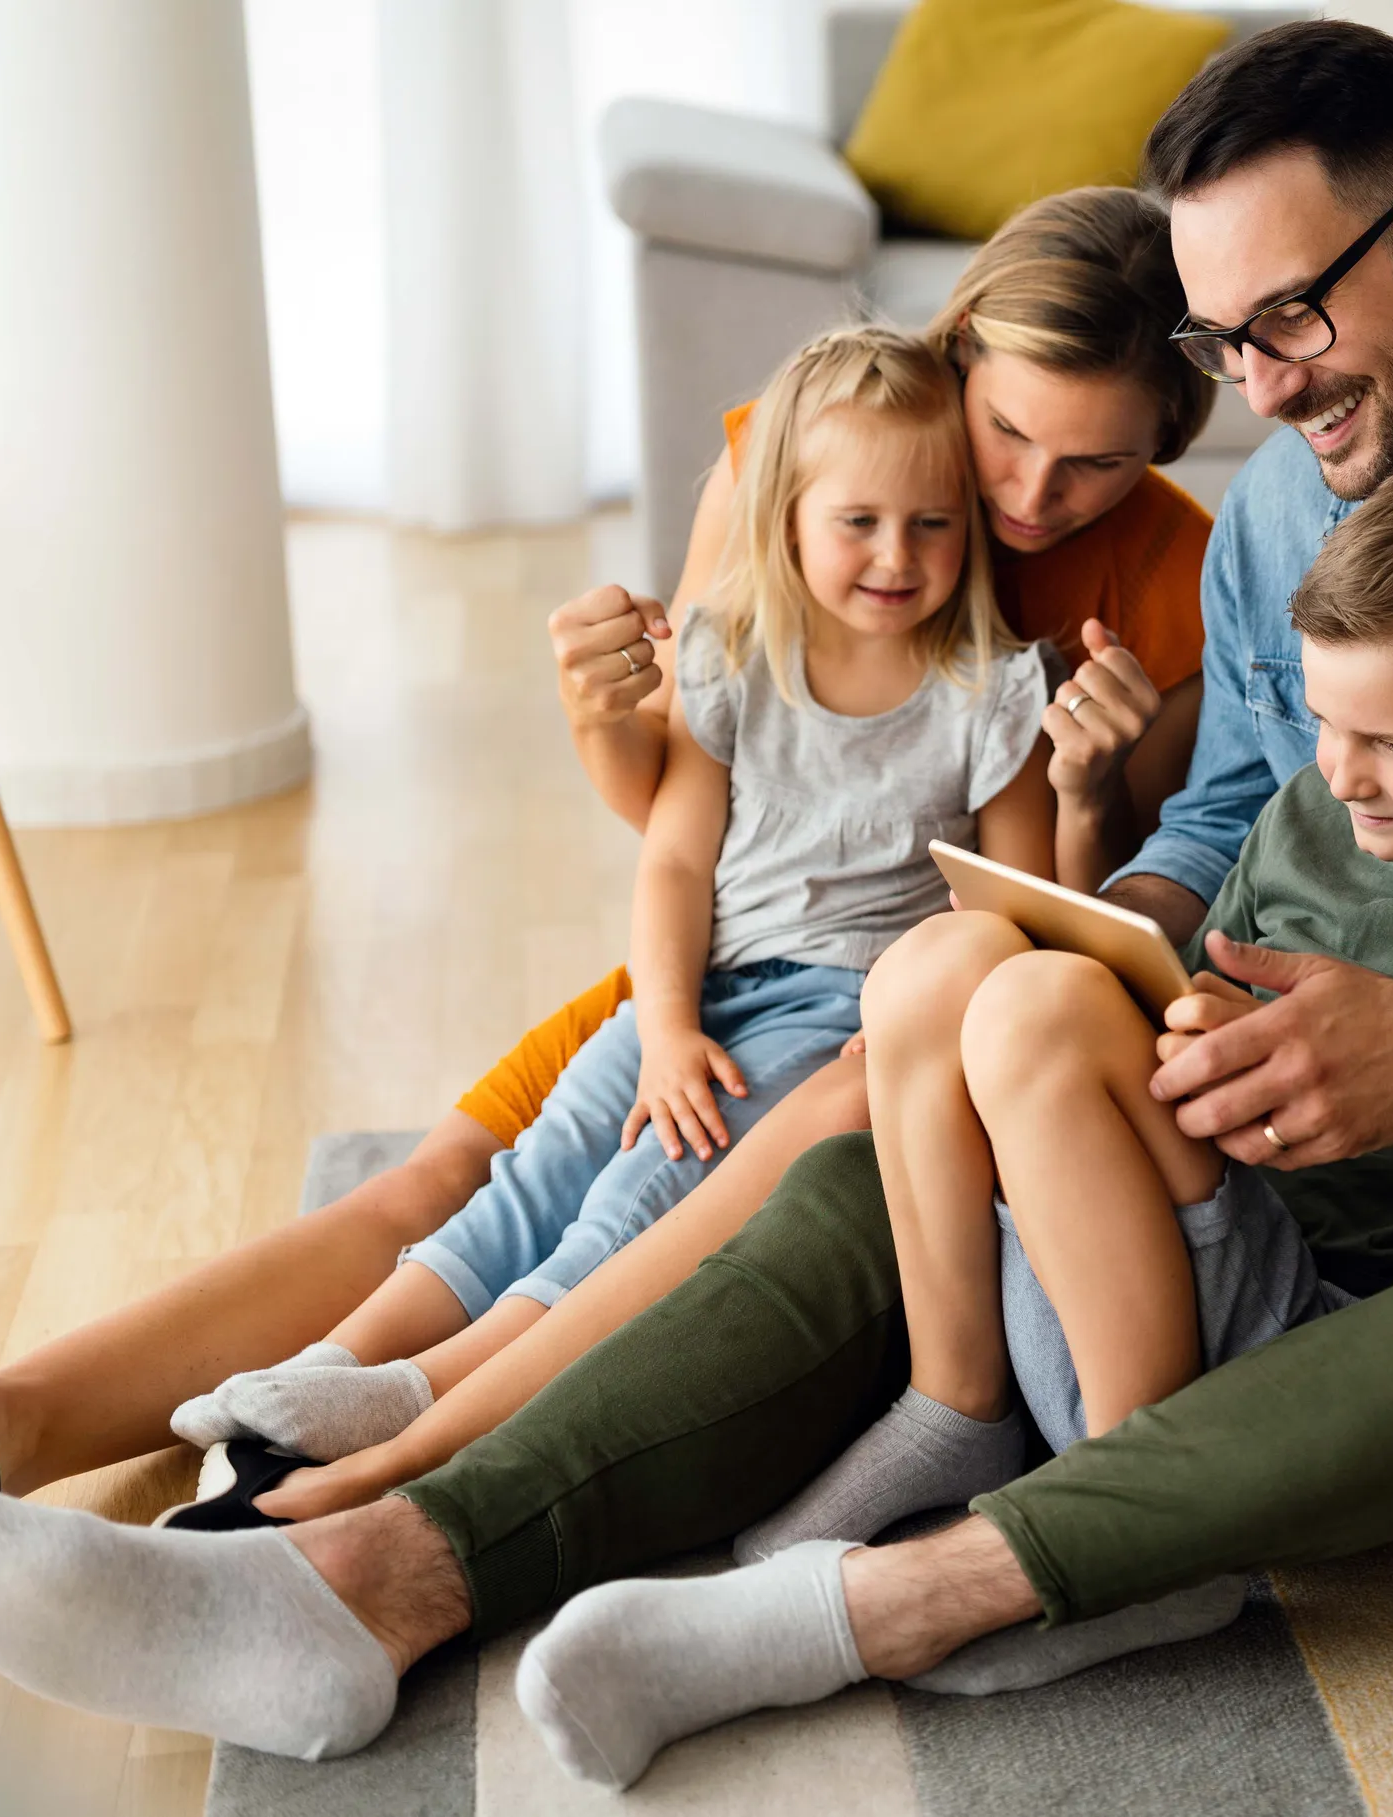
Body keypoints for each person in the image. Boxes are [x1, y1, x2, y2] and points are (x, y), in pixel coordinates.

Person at [0, 15, 1393, 1784]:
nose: (1260, 389)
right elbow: (1222, 828)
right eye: (1224, 343)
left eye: (1288, 320)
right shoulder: (1293, 499)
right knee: (873, 1116)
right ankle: (353, 1576)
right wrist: (1045, 957)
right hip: (1298, 1126)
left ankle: (903, 1596)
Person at [0, 188, 1224, 1564]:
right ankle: (10, 1423)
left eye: (1098, 461)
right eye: (1009, 432)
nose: (1035, 492)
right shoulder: (808, 449)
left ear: (1169, 433)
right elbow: (680, 807)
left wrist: (1092, 783)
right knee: (449, 1176)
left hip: (903, 1007)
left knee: (626, 1204)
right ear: (957, 353)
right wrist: (603, 720)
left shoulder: (1175, 580)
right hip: (730, 941)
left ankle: (370, 1445)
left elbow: (1068, 925)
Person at [714, 451, 1393, 1657]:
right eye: (1324, 722)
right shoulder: (1308, 819)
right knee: (938, 961)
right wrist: (1199, 1028)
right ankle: (953, 1403)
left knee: (1039, 1012)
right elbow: (1207, 989)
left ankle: (1139, 1531)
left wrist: (1376, 1083)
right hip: (1142, 1257)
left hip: (1286, 1324)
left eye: (1390, 741)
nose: (1340, 772)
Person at [138, 325, 1065, 1525]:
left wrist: (914, 1035)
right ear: (784, 513)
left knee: (635, 1201)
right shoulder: (734, 658)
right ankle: (329, 1369)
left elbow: (1015, 911)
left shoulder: (991, 694)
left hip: (841, 1011)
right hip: (701, 987)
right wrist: (667, 1024)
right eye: (860, 522)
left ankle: (428, 1395)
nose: (898, 555)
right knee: (541, 1167)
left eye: (933, 523)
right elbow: (677, 861)